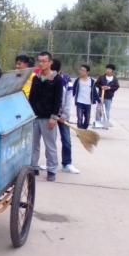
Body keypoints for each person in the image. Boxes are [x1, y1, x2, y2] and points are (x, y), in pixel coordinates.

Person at [29, 51, 63, 182]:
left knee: (50, 146)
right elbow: (31, 98)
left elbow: (58, 100)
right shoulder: (35, 78)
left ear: (50, 62)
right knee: (33, 145)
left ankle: (52, 170)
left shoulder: (57, 79)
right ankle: (33, 167)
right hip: (35, 117)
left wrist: (54, 117)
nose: (41, 63)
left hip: (48, 119)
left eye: (44, 61)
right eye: (40, 61)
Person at [51, 59, 80, 174]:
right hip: (50, 115)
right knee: (50, 141)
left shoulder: (66, 80)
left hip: (63, 116)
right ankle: (50, 163)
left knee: (66, 140)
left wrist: (64, 115)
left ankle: (67, 164)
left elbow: (68, 99)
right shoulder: (45, 78)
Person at [72, 64, 100, 129]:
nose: (81, 71)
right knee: (80, 118)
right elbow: (73, 89)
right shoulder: (78, 80)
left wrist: (98, 100)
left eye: (83, 70)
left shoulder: (92, 81)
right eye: (80, 70)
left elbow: (94, 92)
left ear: (87, 72)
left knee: (87, 120)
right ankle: (80, 131)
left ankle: (84, 131)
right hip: (79, 102)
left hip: (88, 103)